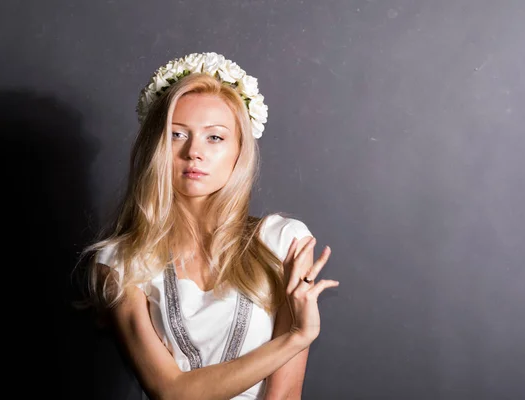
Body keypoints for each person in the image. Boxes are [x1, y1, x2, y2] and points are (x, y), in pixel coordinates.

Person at [77, 52, 339, 400]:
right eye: (177, 135)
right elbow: (170, 391)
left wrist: (295, 338)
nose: (194, 152)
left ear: (239, 150)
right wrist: (296, 336)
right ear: (155, 146)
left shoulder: (283, 242)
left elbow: (286, 394)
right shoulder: (120, 263)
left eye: (214, 137)